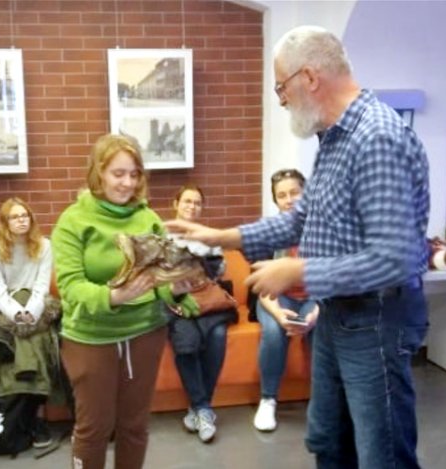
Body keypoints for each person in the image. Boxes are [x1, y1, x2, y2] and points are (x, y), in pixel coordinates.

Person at [166, 25, 430, 469]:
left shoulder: (377, 138)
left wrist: (300, 274)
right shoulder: (335, 139)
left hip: (376, 322)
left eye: (280, 86)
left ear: (309, 77)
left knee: (382, 457)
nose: (280, 98)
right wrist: (221, 237)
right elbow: (302, 219)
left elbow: (396, 258)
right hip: (338, 317)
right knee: (328, 441)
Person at [52, 134, 197, 469]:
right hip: (91, 337)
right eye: (118, 173)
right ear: (99, 173)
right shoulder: (73, 220)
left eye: (134, 174)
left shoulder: (148, 219)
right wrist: (113, 296)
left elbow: (158, 277)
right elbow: (70, 286)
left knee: (134, 426)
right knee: (94, 429)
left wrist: (175, 288)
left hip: (145, 332)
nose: (127, 182)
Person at [0, 197, 55, 454]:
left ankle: (38, 417)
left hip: (38, 306)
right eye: (15, 217)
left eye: (25, 216)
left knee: (41, 343)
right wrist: (18, 315)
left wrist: (31, 312)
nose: (21, 221)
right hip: (7, 309)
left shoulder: (44, 246)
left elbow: (41, 286)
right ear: (5, 223)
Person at [167, 185, 237, 443]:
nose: (192, 206)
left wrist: (209, 259)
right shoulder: (163, 235)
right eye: (187, 201)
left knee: (218, 334)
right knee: (186, 340)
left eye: (197, 203)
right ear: (176, 203)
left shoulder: (209, 236)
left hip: (206, 301)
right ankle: (203, 407)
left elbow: (219, 273)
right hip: (176, 300)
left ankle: (199, 408)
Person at [253, 169, 319, 432]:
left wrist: (317, 313)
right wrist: (279, 314)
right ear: (275, 200)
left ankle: (323, 403)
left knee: (322, 331)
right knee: (272, 330)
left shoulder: (325, 230)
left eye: (294, 192)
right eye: (282, 195)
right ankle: (268, 400)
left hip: (316, 297)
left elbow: (335, 282)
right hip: (276, 297)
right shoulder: (269, 232)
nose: (289, 199)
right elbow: (261, 286)